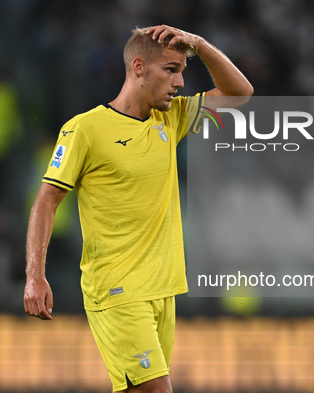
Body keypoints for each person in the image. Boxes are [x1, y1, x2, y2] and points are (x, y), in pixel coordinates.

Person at [24, 25, 253, 393]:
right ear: (138, 67)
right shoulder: (85, 129)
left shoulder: (171, 118)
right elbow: (46, 200)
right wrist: (35, 274)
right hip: (116, 291)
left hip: (163, 289)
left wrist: (199, 44)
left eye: (182, 71)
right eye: (171, 70)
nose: (180, 82)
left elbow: (240, 94)